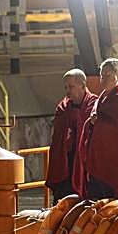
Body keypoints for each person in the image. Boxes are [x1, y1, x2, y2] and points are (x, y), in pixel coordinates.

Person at [74, 58, 118, 199]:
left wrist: (98, 123)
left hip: (114, 163)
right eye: (101, 75)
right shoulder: (103, 97)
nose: (102, 79)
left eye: (107, 76)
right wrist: (91, 123)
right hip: (99, 159)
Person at [46, 69, 97, 201]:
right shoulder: (63, 107)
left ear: (83, 85)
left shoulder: (94, 105)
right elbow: (57, 137)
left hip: (83, 161)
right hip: (65, 161)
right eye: (66, 87)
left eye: (71, 87)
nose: (68, 91)